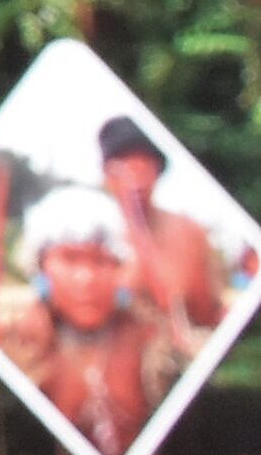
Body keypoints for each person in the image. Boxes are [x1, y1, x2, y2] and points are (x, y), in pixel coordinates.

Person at [0, 174, 180, 455]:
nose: (86, 279)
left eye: (100, 261)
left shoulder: (150, 337)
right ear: (41, 265)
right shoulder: (21, 343)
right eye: (70, 259)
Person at [97, 116, 232, 346]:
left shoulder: (188, 231)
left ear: (157, 171)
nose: (135, 181)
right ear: (108, 176)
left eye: (142, 168)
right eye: (123, 168)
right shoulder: (93, 233)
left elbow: (209, 310)